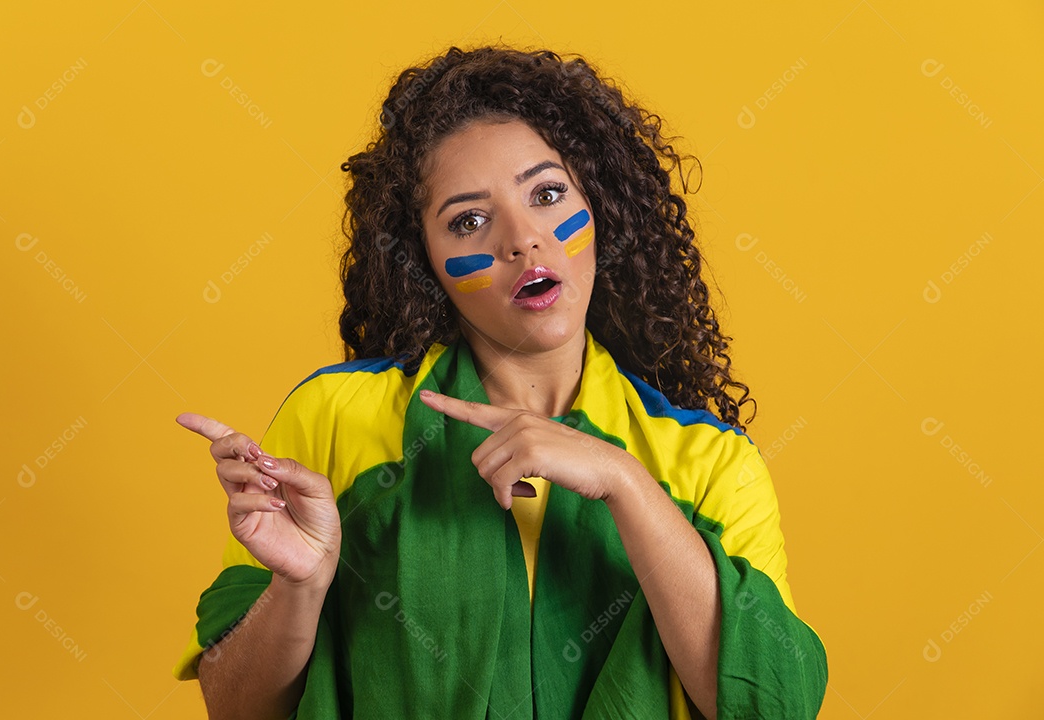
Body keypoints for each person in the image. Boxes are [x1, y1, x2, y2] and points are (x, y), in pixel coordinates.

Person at [171, 44, 828, 720]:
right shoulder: (336, 419)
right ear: (421, 257)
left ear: (598, 204)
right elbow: (235, 707)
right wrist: (300, 586)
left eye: (547, 194)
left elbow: (774, 707)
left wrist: (625, 484)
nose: (522, 240)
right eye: (469, 220)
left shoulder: (714, 466)